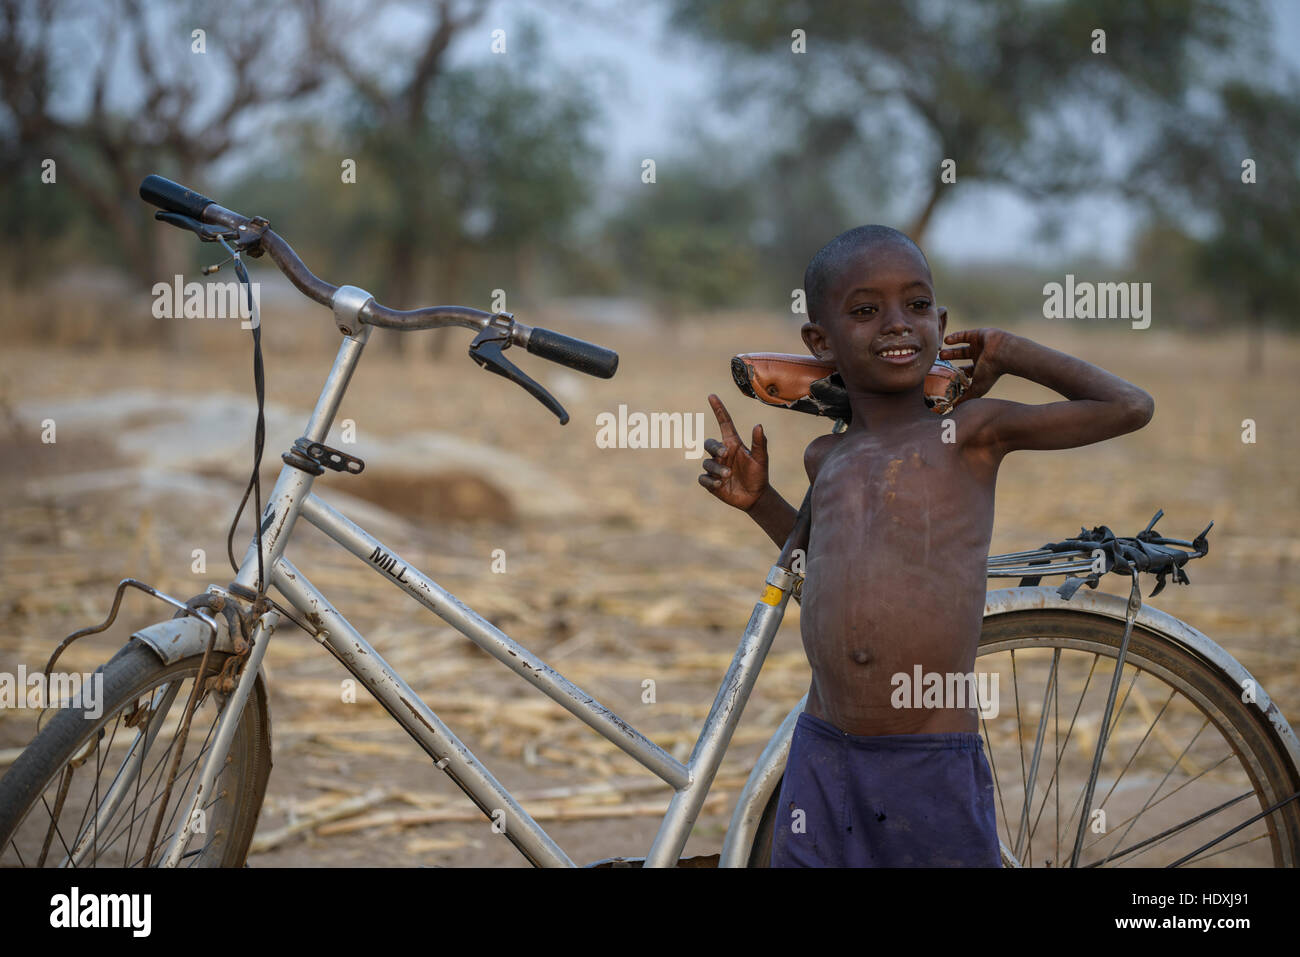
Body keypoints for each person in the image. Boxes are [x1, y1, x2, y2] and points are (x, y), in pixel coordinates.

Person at [698, 225, 1154, 866]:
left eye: (916, 307)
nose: (896, 325)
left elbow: (1129, 406)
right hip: (823, 748)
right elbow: (815, 569)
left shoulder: (971, 433)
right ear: (819, 341)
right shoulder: (826, 454)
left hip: (926, 760)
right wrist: (760, 502)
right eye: (866, 310)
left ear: (941, 322)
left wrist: (1009, 349)